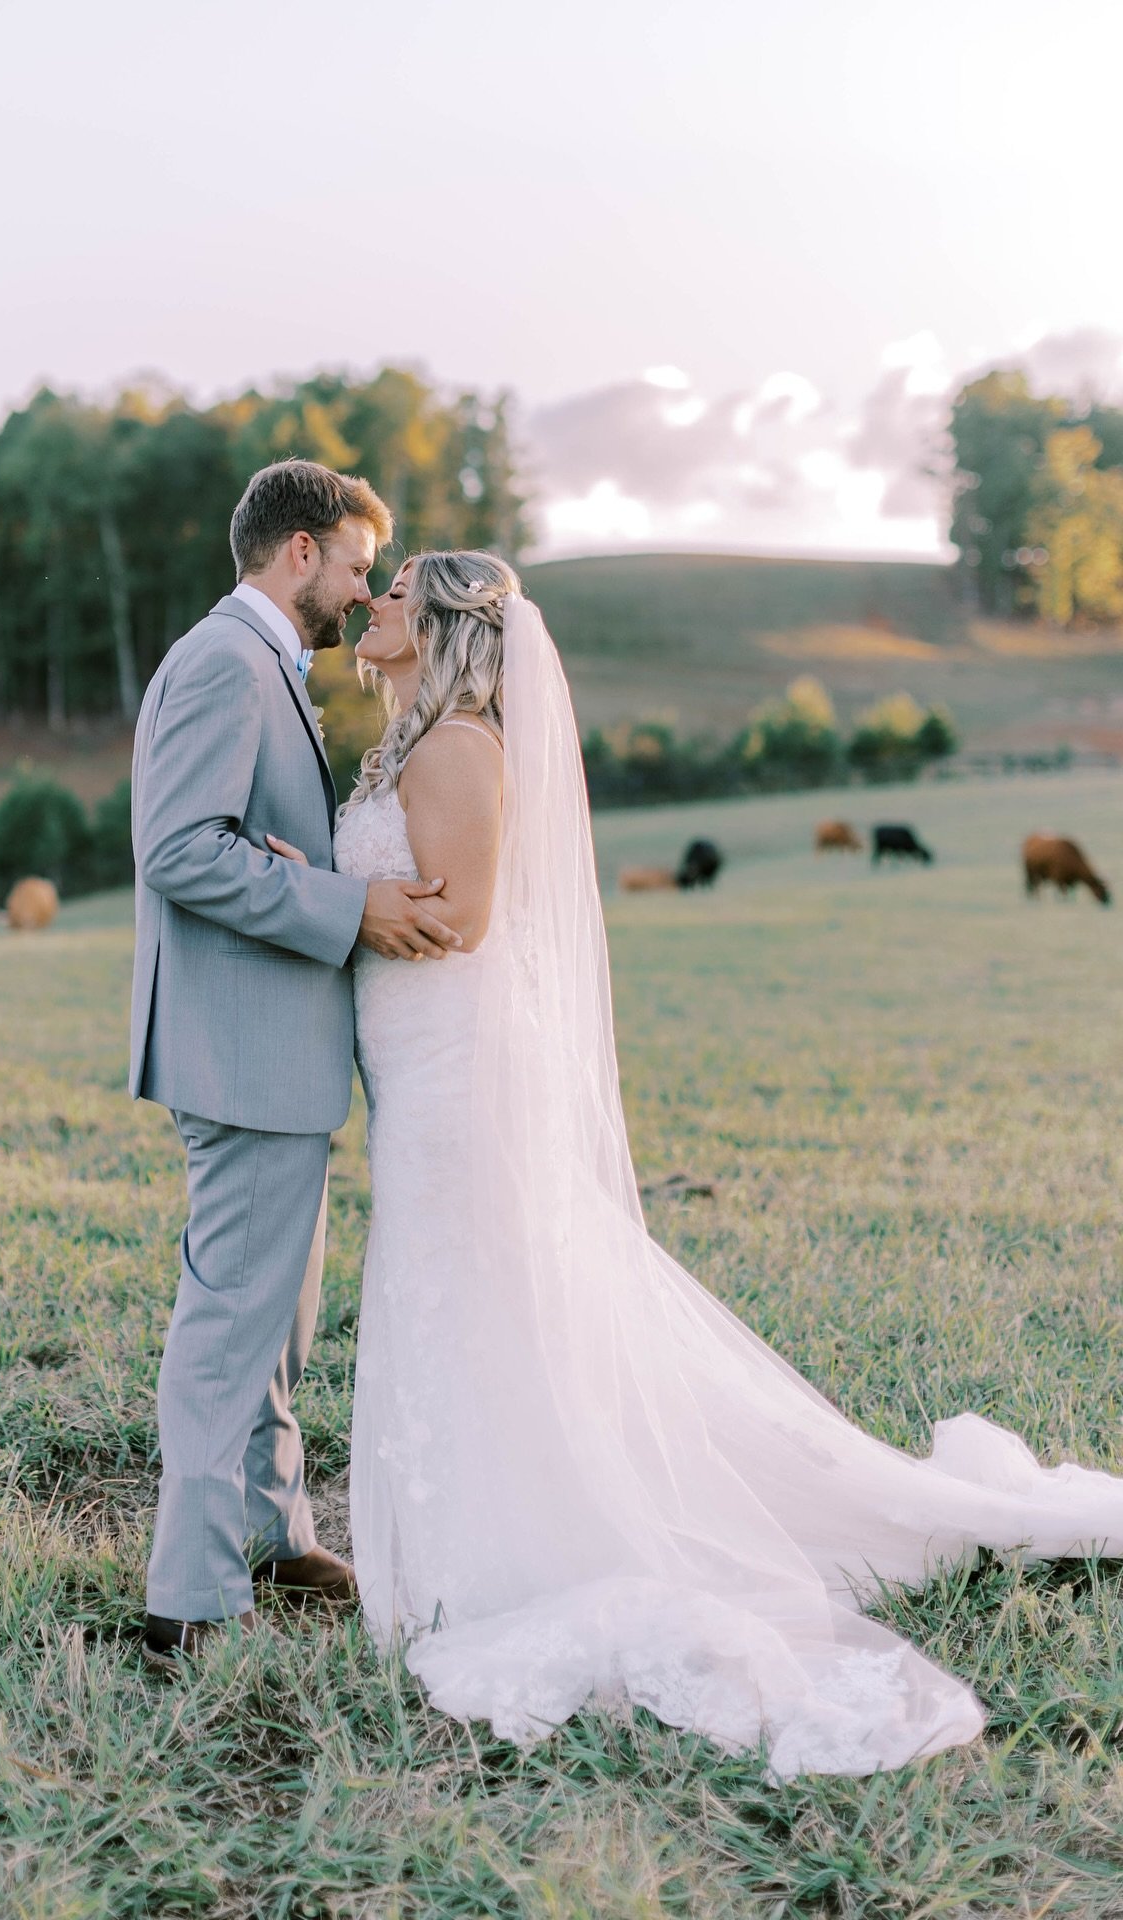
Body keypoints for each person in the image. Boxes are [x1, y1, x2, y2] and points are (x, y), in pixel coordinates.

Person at [274, 548, 1123, 1778]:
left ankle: (518, 1533)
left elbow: (456, 921)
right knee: (455, 1290)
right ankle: (479, 1517)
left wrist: (314, 895)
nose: (375, 602)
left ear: (450, 626)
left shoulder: (460, 745)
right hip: (416, 1070)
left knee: (474, 1287)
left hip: (457, 1071)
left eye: (399, 589)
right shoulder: (409, 743)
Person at [128, 461, 462, 1666]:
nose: (362, 592)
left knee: (277, 1317)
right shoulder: (227, 659)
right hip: (244, 1044)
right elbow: (180, 849)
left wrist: (312, 869)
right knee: (232, 1323)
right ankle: (191, 1599)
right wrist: (346, 904)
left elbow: (231, 839)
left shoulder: (262, 662)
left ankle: (272, 1532)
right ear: (303, 552)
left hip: (264, 1043)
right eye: (359, 567)